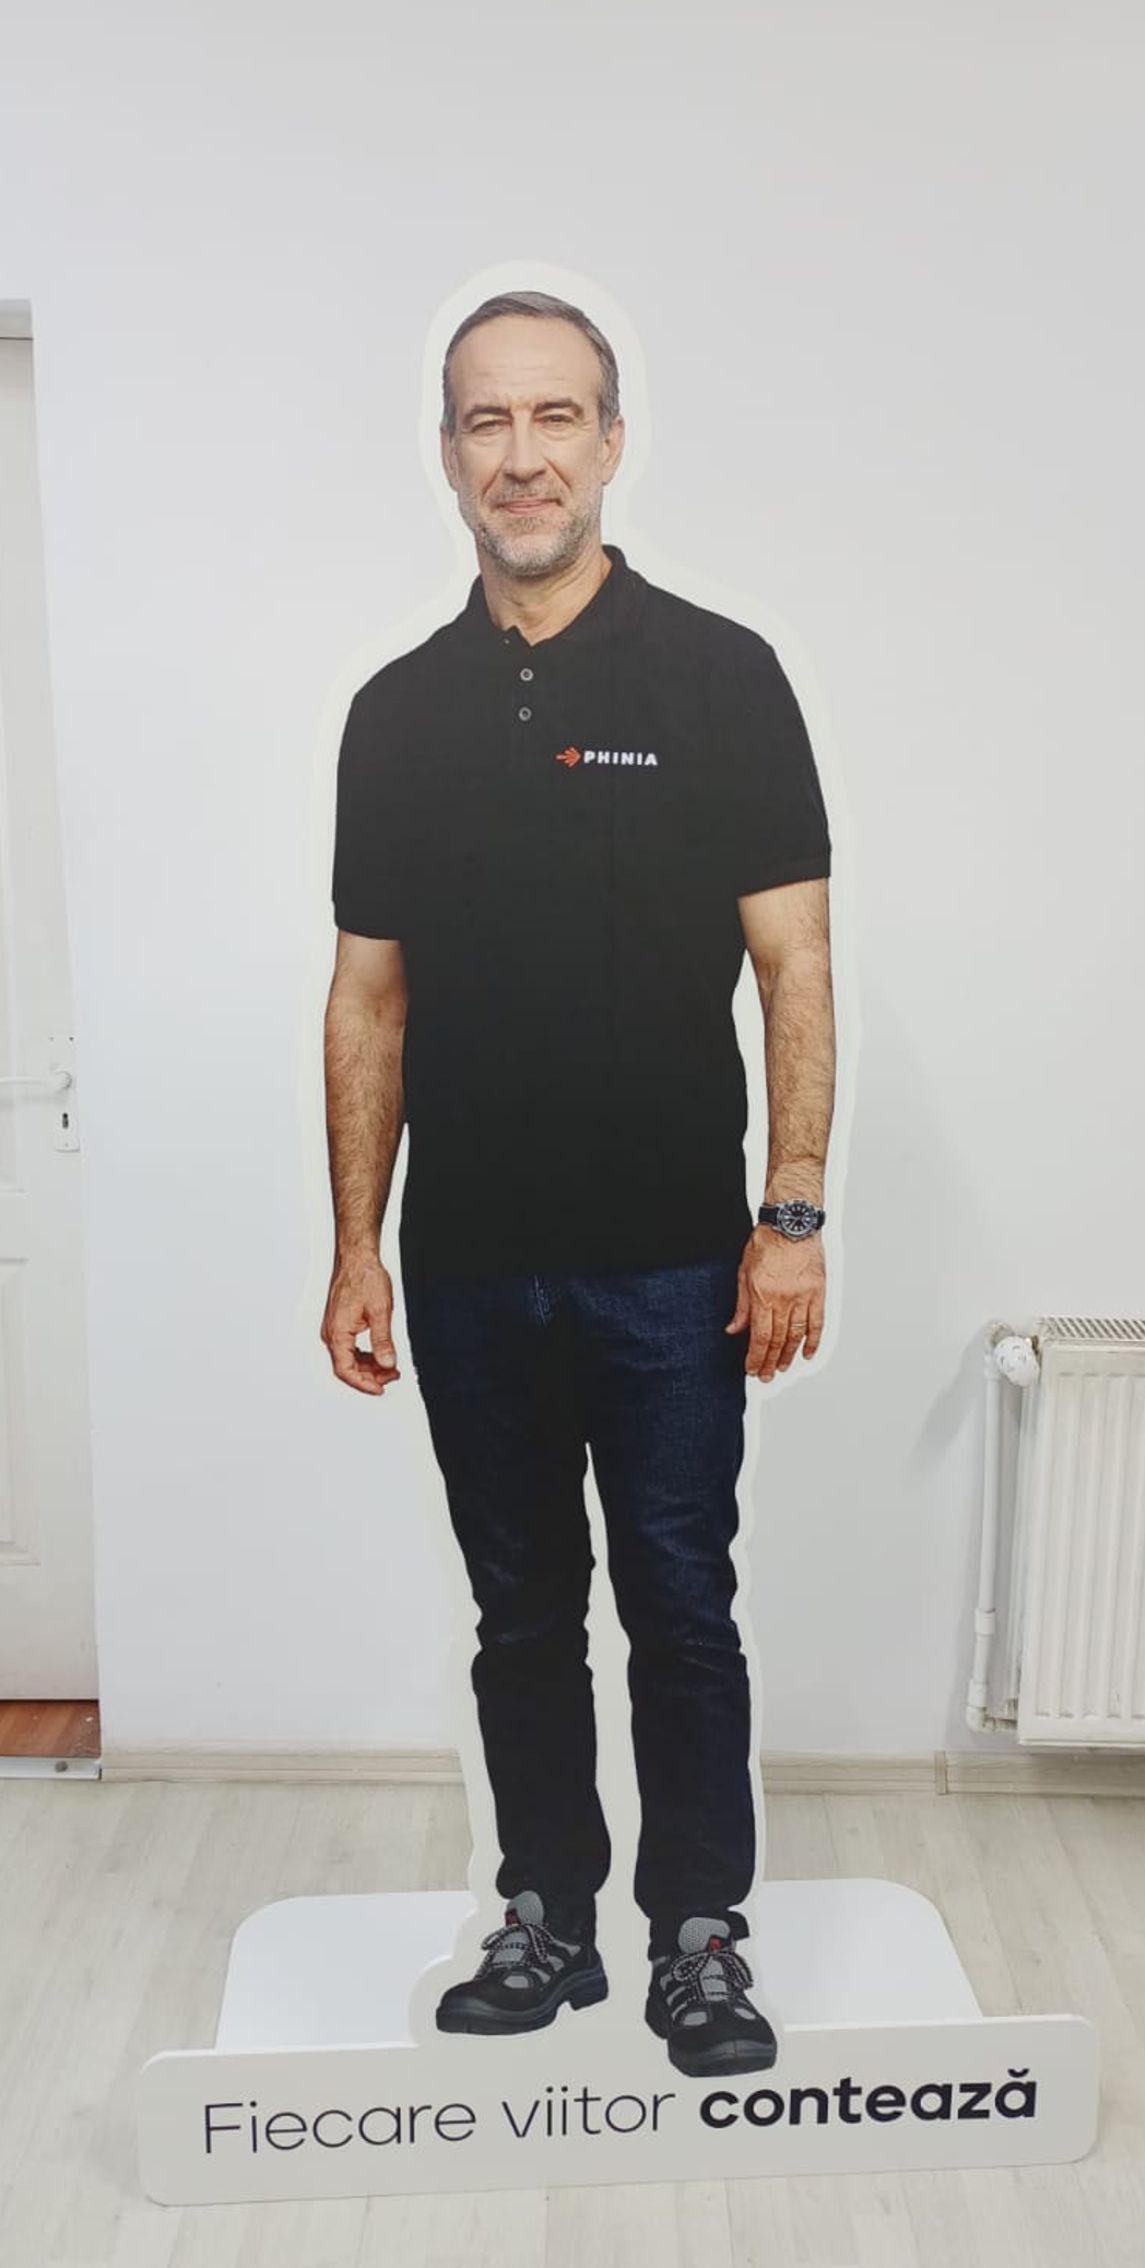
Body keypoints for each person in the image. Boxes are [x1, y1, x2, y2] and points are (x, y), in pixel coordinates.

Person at [322, 289, 836, 2080]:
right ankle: (544, 1912)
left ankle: (698, 1935)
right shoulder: (397, 713)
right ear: (446, 453)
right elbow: (368, 997)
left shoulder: (718, 675)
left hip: (673, 1261)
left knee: (679, 1606)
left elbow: (792, 965)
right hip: (469, 1261)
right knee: (522, 1616)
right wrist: (355, 1247)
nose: (522, 454)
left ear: (610, 441)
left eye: (555, 416)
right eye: (487, 420)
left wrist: (790, 1217)